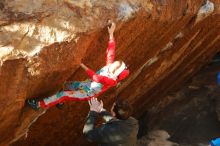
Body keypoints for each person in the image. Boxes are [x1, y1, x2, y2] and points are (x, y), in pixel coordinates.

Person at [27, 21, 129, 110]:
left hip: (86, 94)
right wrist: (111, 33)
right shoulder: (110, 67)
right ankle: (60, 102)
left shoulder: (111, 81)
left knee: (64, 94)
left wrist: (81, 64)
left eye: (113, 67)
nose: (111, 65)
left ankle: (40, 104)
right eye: (114, 63)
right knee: (67, 86)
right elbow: (110, 51)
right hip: (85, 85)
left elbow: (96, 78)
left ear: (116, 73)